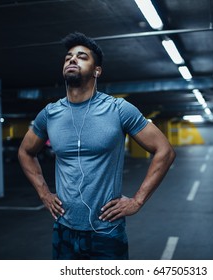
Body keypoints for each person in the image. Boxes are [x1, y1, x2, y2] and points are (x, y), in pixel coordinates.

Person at [18, 32, 176, 260]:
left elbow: (165, 151)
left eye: (82, 57)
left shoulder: (119, 109)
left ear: (97, 71)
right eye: (68, 57)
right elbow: (25, 151)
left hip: (107, 232)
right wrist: (44, 194)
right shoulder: (50, 114)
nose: (72, 60)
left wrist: (137, 201)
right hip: (64, 230)